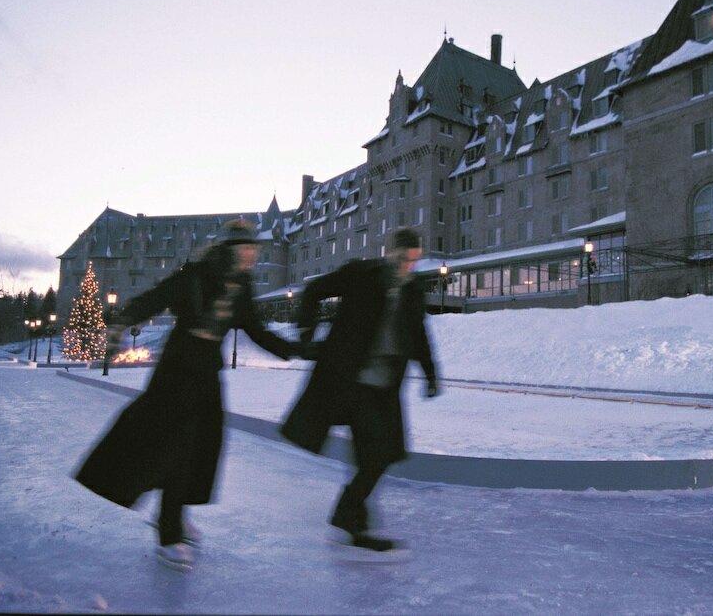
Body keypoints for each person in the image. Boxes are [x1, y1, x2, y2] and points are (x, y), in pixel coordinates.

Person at [74, 219, 297, 570]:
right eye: (245, 248)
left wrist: (294, 349)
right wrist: (121, 321)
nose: (252, 254)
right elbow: (155, 298)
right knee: (176, 447)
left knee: (201, 448)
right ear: (229, 251)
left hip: (207, 373)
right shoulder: (195, 275)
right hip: (177, 373)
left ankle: (175, 513)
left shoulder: (242, 286)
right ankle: (169, 531)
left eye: (254, 248)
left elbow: (255, 330)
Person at [281, 227, 440, 553]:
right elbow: (314, 290)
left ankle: (353, 513)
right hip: (352, 382)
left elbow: (418, 334)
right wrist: (307, 331)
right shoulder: (361, 275)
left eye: (413, 260)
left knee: (383, 455)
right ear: (389, 252)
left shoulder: (412, 291)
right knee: (374, 455)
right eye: (402, 258)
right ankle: (350, 516)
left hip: (386, 386)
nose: (407, 266)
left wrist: (431, 374)